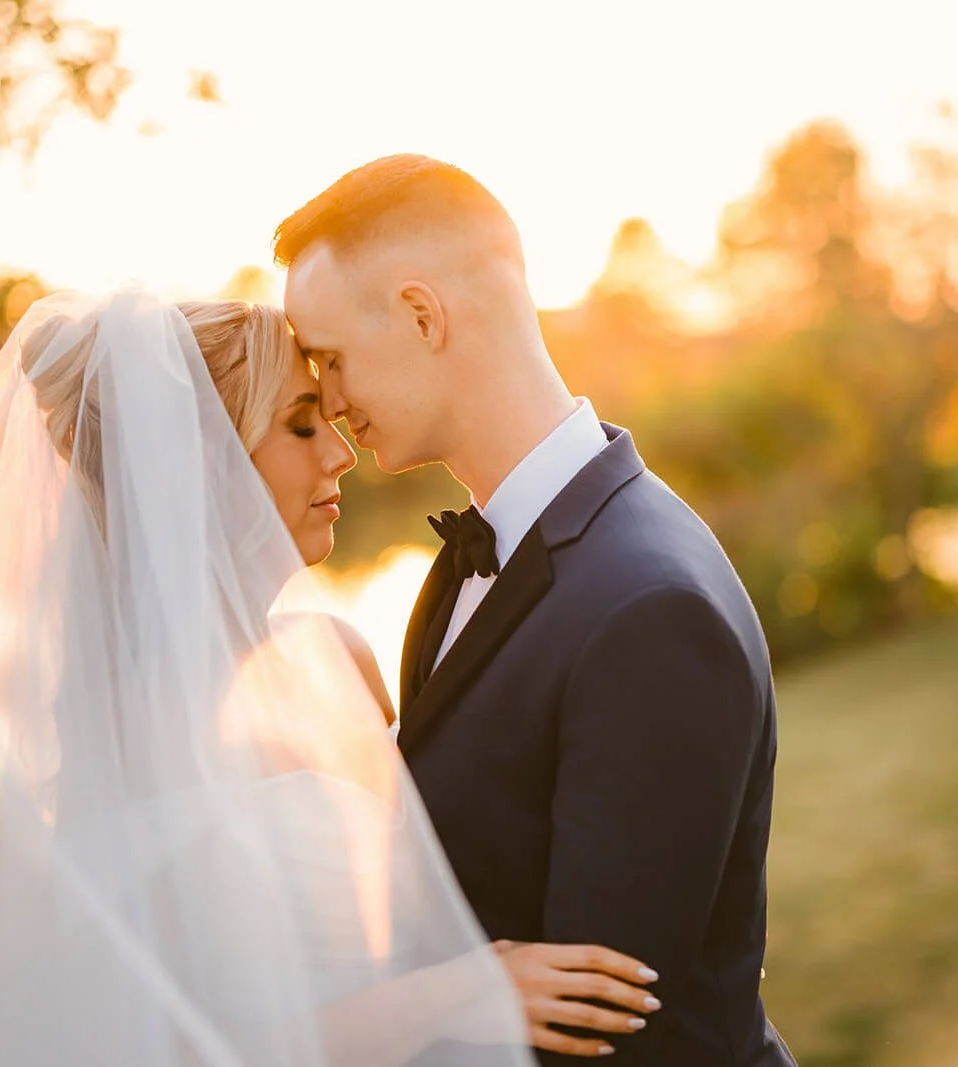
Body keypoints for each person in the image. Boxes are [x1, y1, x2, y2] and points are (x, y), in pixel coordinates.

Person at [0, 292, 651, 1066]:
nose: (340, 452)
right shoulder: (128, 727)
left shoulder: (341, 655)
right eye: (300, 424)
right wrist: (455, 996)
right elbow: (168, 1039)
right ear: (204, 462)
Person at [279, 156, 796, 1067]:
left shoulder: (650, 608)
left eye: (329, 357)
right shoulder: (475, 559)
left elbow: (601, 1028)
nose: (328, 399)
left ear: (421, 314)